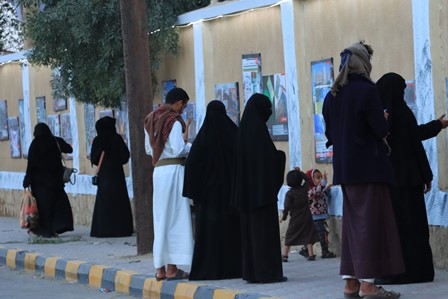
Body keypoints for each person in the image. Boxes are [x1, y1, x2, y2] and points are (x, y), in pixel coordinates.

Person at [322, 41, 404, 298]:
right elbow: (379, 130)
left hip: (345, 170)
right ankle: (368, 284)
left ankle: (351, 283)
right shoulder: (367, 90)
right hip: (369, 167)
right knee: (369, 225)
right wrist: (384, 119)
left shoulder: (332, 94)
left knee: (352, 226)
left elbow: (330, 133)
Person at [375, 72, 448, 284]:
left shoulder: (380, 116)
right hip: (407, 182)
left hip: (388, 181)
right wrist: (426, 175)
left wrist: (437, 125)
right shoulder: (402, 113)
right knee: (412, 228)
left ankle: (391, 273)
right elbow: (414, 141)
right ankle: (415, 272)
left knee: (393, 228)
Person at [183, 100, 242, 280]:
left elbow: (192, 166)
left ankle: (210, 269)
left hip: (208, 198)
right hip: (231, 196)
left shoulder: (202, 139)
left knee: (209, 234)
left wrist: (193, 194)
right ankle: (235, 268)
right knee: (231, 233)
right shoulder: (234, 134)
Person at [231, 93, 287, 283]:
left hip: (247, 196)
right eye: (267, 109)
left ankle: (252, 273)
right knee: (264, 236)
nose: (269, 113)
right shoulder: (260, 133)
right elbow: (269, 162)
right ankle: (267, 273)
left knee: (250, 236)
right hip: (262, 196)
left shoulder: (242, 132)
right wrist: (280, 157)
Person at [144, 87, 193, 281]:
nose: (183, 110)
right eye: (184, 105)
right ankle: (172, 269)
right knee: (175, 218)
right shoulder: (173, 121)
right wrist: (191, 146)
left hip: (159, 172)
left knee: (161, 218)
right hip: (174, 172)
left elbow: (149, 149)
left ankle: (160, 269)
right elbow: (179, 149)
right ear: (179, 102)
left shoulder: (150, 118)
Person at [22, 123, 74, 238]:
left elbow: (30, 164)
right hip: (55, 181)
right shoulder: (54, 141)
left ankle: (46, 231)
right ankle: (56, 227)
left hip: (40, 183)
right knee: (56, 205)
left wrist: (27, 179)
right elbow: (69, 149)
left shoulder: (35, 144)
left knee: (43, 207)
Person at [90, 116, 133, 238]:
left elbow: (94, 159)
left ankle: (104, 230)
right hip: (117, 174)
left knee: (104, 203)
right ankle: (121, 230)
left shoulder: (98, 140)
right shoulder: (117, 139)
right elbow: (125, 156)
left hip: (104, 175)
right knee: (119, 202)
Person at [281, 167, 320, 262]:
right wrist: (300, 172)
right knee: (308, 234)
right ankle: (311, 255)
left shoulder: (289, 194)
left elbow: (287, 207)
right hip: (306, 216)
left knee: (290, 235)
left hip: (295, 218)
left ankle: (285, 255)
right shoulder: (304, 189)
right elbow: (307, 179)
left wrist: (284, 216)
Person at [305, 168, 336, 259]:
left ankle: (305, 249)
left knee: (320, 234)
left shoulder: (319, 189)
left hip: (321, 216)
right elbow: (317, 191)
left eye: (321, 177)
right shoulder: (310, 191)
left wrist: (327, 189)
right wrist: (324, 182)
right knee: (322, 234)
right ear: (311, 180)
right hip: (315, 216)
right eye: (318, 178)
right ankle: (325, 251)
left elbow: (323, 194)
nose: (320, 180)